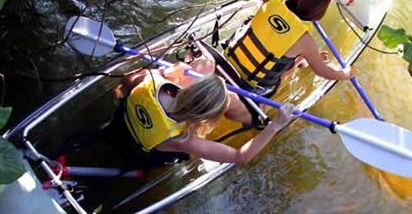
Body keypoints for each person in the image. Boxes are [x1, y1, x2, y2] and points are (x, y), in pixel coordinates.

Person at [106, 60, 296, 169]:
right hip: (136, 155)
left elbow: (127, 79)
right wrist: (275, 125)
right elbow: (240, 156)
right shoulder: (181, 138)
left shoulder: (152, 80)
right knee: (187, 155)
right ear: (208, 117)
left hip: (118, 126)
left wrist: (166, 71)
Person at [224, 0, 352, 96]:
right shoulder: (305, 40)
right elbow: (322, 71)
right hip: (251, 86)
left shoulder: (270, 2)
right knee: (291, 59)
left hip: (227, 61)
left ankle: (303, 58)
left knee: (282, 49)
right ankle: (302, 60)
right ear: (318, 12)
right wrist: (344, 74)